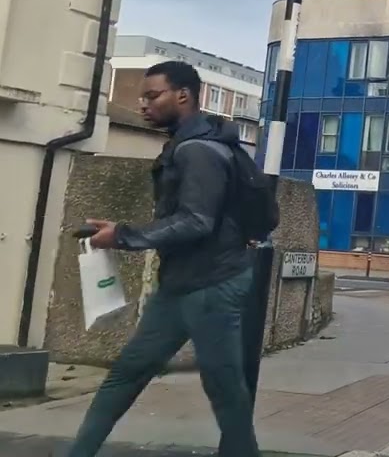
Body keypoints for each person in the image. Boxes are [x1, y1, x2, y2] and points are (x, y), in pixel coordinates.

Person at [68, 60, 260, 457]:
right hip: (181, 285)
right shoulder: (187, 144)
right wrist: (121, 229)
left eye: (152, 95)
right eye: (142, 97)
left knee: (225, 390)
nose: (143, 105)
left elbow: (196, 221)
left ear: (183, 96)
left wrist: (122, 235)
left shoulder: (200, 152)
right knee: (126, 373)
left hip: (213, 285)